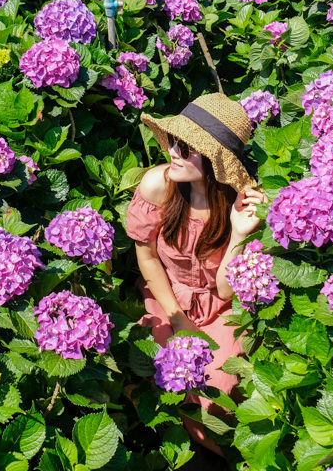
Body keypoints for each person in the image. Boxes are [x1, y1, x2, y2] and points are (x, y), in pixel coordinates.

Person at [125, 92, 268, 457]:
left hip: (220, 306)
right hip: (166, 296)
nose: (173, 152)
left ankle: (225, 453)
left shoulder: (239, 201)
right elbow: (148, 259)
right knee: (159, 372)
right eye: (173, 141)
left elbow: (225, 291)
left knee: (217, 387)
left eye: (186, 148)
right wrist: (177, 319)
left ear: (214, 162)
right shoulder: (159, 184)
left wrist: (238, 233)